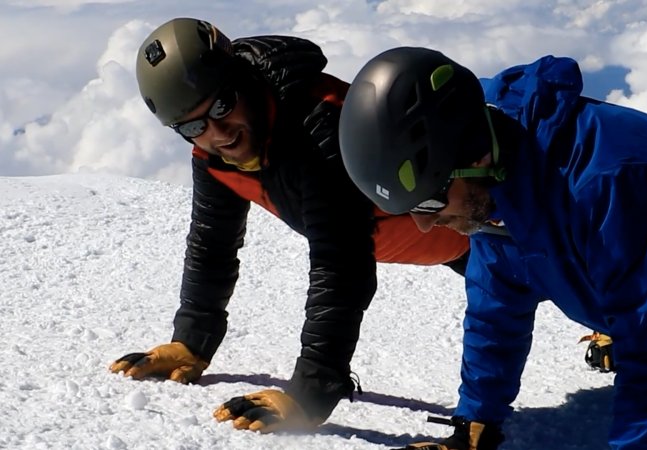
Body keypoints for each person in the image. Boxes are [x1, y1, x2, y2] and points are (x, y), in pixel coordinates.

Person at [338, 46, 647, 450]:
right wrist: (476, 420)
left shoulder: (612, 185)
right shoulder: (496, 192)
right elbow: (495, 309)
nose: (423, 225)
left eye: (430, 200)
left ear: (473, 157)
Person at [108, 18, 471, 434]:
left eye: (223, 105)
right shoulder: (214, 157)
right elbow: (212, 244)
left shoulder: (317, 130)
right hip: (436, 241)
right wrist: (191, 341)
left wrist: (309, 393)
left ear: (243, 79)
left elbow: (341, 264)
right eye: (193, 127)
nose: (218, 133)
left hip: (482, 227)